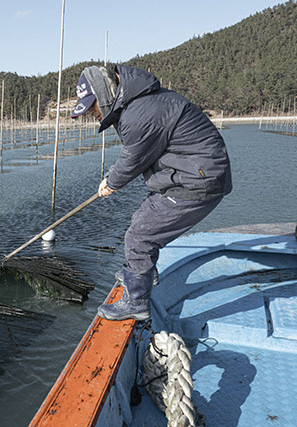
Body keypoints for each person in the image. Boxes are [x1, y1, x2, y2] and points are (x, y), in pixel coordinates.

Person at [71, 64, 232, 321]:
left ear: (104, 95)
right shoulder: (137, 104)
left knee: (140, 236)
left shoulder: (140, 113)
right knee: (142, 219)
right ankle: (144, 272)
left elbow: (133, 159)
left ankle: (136, 302)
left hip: (197, 181)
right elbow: (138, 153)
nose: (91, 112)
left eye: (92, 106)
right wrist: (111, 177)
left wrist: (112, 182)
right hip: (189, 175)